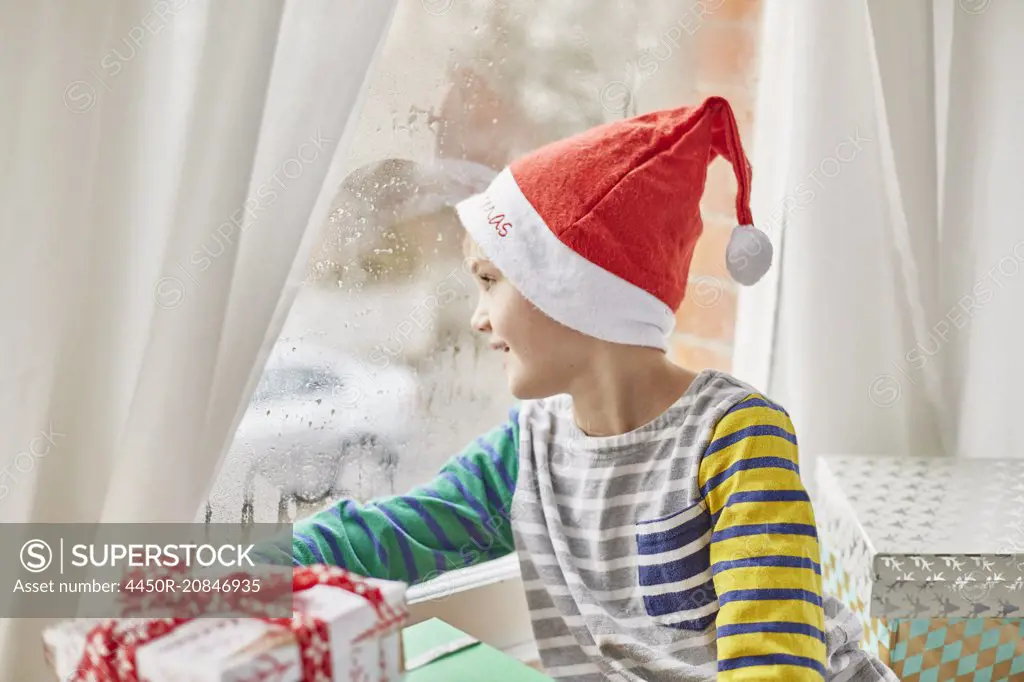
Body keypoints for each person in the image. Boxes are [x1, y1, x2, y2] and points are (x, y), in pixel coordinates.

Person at [286, 97, 898, 681]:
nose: (478, 318)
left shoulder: (737, 438)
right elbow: (386, 538)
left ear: (569, 290)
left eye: (490, 280)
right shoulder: (525, 452)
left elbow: (772, 664)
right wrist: (217, 579)